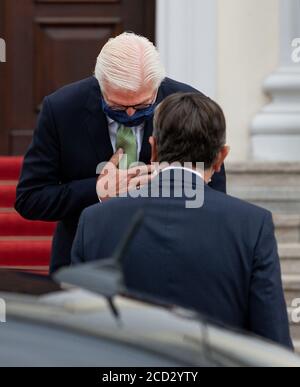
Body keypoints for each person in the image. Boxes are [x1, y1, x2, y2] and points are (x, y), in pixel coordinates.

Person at [71, 93, 293, 350]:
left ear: (153, 149)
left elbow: (76, 335)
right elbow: (273, 345)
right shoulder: (252, 225)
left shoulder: (95, 220)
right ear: (221, 157)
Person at [15, 32, 226, 274]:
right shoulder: (61, 109)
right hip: (86, 261)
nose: (129, 114)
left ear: (158, 85)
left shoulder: (192, 106)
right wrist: (98, 191)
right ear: (100, 83)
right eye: (116, 106)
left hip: (169, 263)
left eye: (142, 106)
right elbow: (30, 198)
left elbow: (215, 194)